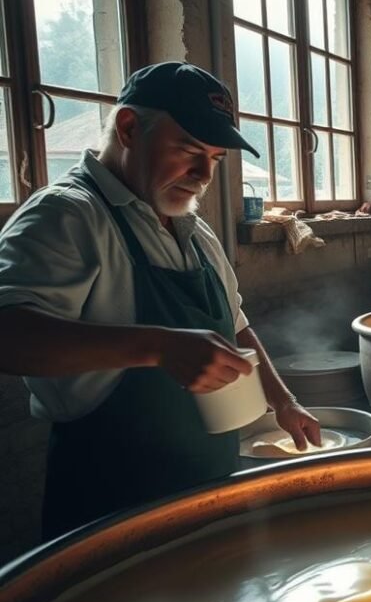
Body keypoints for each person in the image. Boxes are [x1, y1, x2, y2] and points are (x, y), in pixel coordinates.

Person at [0, 62, 320, 539]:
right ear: (129, 128)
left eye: (214, 158)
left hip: (208, 493)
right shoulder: (67, 215)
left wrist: (284, 401)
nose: (203, 174)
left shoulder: (192, 230)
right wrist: (158, 346)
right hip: (111, 509)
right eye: (190, 151)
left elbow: (238, 327)